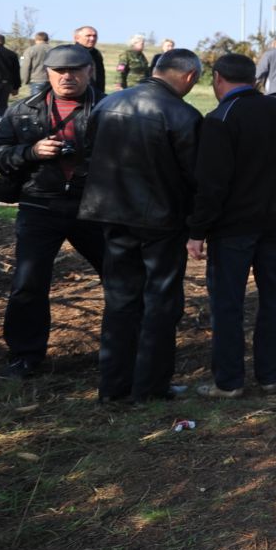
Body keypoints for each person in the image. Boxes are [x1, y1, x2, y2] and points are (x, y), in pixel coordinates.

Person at [186, 54, 276, 399]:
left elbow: (211, 183)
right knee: (275, 298)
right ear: (255, 79)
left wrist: (197, 230)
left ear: (218, 79)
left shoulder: (220, 119)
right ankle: (272, 375)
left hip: (234, 229)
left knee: (228, 304)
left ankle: (228, 381)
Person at [79, 49, 203, 404]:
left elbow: (88, 156)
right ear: (190, 76)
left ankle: (114, 387)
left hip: (112, 215)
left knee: (119, 300)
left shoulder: (108, 104)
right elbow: (196, 175)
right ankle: (151, 385)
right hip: (162, 221)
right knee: (161, 302)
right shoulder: (183, 114)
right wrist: (197, 223)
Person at [0, 45, 106, 378]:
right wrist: (32, 151)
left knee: (120, 276)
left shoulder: (110, 108)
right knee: (28, 283)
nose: (67, 76)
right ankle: (24, 355)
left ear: (89, 71)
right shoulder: (24, 110)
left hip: (94, 207)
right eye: (60, 71)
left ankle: (123, 348)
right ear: (47, 73)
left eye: (75, 70)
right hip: (40, 204)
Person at [74, 26, 105, 99]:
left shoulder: (96, 54)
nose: (92, 39)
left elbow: (100, 75)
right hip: (79, 96)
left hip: (96, 94)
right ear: (77, 38)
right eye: (88, 36)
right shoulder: (73, 53)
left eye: (95, 36)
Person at [20, 31, 51, 98]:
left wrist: (25, 80)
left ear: (36, 39)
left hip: (36, 80)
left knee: (36, 103)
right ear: (47, 39)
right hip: (51, 80)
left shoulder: (30, 50)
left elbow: (26, 66)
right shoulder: (53, 50)